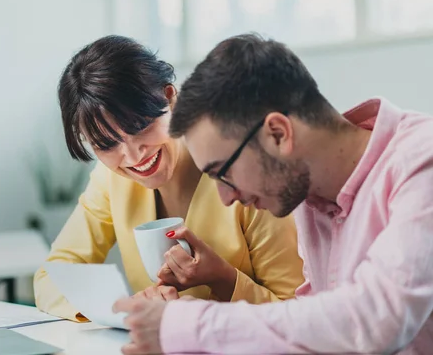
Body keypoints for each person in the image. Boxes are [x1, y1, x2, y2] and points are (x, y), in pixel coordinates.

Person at [113, 33, 433, 354]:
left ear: (278, 133)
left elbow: (374, 320)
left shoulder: (421, 163)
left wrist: (183, 325)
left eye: (223, 173)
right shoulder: (308, 196)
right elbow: (311, 329)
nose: (226, 198)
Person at [33, 35, 304, 322]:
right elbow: (52, 277)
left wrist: (224, 280)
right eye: (107, 144)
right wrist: (126, 308)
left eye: (139, 127)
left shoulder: (245, 172)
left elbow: (297, 314)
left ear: (170, 97)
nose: (134, 156)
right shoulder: (111, 181)